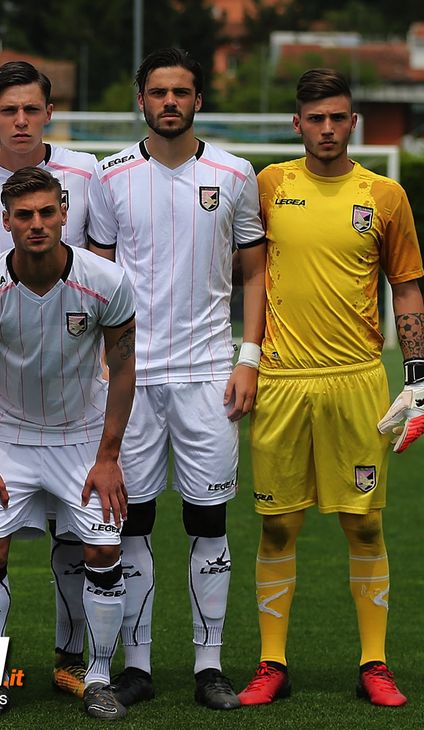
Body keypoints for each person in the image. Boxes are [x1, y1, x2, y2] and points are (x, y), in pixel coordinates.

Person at [86, 47, 267, 710]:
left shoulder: (234, 172)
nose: (169, 102)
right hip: (129, 377)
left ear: (198, 100)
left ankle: (208, 666)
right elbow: (98, 278)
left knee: (208, 519)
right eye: (158, 92)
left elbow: (255, 274)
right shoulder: (109, 178)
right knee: (129, 521)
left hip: (208, 374)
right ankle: (136, 667)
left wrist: (249, 356)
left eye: (181, 91)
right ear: (141, 100)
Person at [237, 68, 424, 708]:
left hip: (357, 384)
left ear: (353, 123)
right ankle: (271, 664)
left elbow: (406, 287)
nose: (325, 128)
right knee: (278, 527)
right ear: (297, 124)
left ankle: (374, 663)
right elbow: (248, 276)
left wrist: (420, 379)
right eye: (314, 118)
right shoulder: (268, 187)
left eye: (337, 117)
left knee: (364, 526)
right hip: (283, 382)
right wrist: (248, 355)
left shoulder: (386, 195)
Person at [0, 166, 135, 720]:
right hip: (7, 435)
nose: (37, 224)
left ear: (64, 213)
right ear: (5, 221)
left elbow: (124, 368)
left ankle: (99, 677)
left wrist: (108, 458)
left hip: (81, 437)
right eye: (24, 215)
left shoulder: (106, 281)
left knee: (104, 548)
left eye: (46, 213)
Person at [0, 60, 99, 696]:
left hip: (72, 385)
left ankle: (74, 660)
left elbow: (101, 270)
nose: (20, 121)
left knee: (79, 532)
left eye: (31, 110)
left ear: (48, 112)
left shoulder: (88, 173)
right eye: (8, 110)